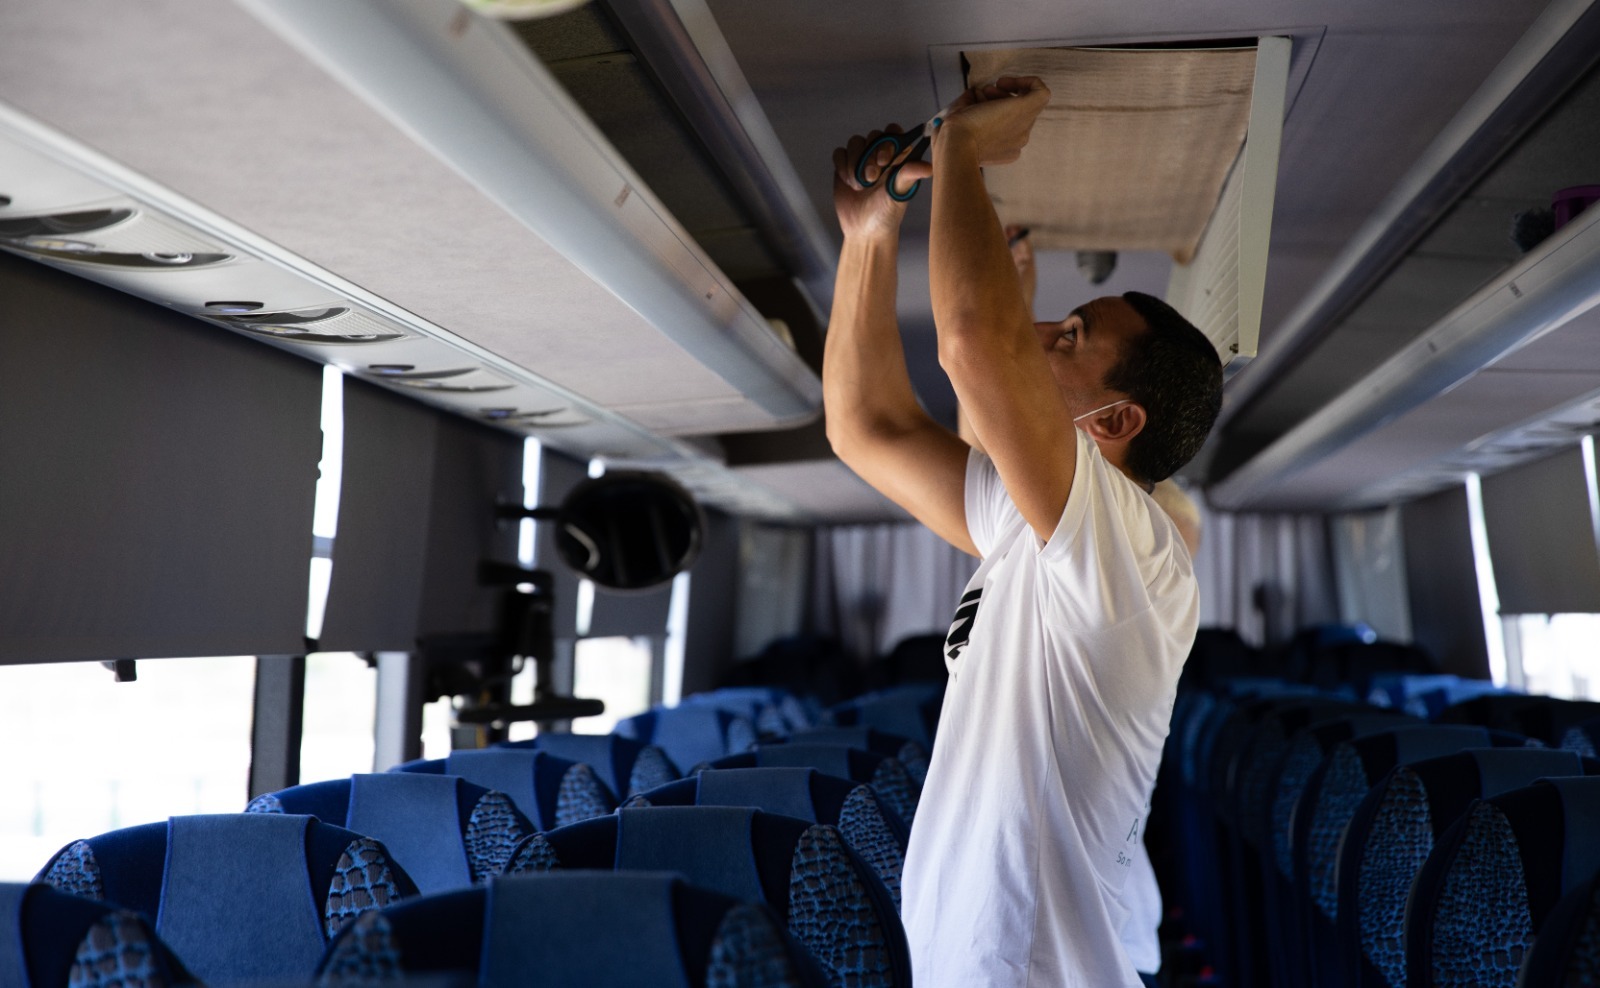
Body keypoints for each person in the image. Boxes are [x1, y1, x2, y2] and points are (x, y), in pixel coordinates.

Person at [823, 75, 1223, 987]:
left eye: (1072, 336)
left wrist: (965, 143)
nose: (1042, 329)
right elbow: (869, 430)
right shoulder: (1031, 532)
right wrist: (868, 239)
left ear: (1115, 423)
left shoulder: (1134, 553)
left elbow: (971, 342)